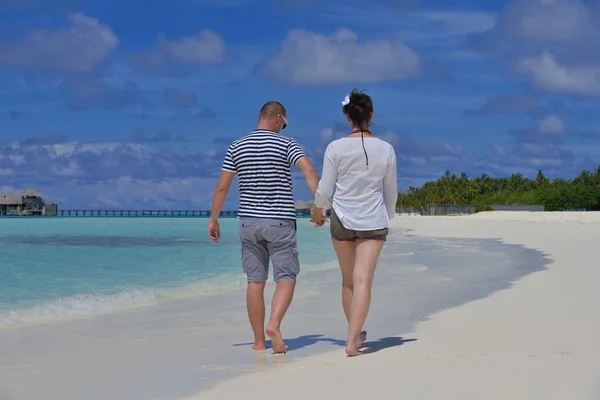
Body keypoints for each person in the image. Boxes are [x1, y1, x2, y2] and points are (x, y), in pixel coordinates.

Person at [208, 101, 320, 354]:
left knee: (255, 281)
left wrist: (213, 218)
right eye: (284, 123)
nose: (284, 127)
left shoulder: (236, 146)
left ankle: (259, 342)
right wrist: (319, 204)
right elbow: (308, 169)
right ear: (278, 118)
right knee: (286, 277)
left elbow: (222, 187)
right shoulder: (287, 144)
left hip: (248, 222)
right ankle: (275, 324)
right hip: (279, 220)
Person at [311, 89, 397, 356]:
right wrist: (388, 216)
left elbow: (325, 189)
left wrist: (318, 209)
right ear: (370, 116)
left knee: (348, 281)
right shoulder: (386, 149)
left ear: (347, 117)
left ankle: (356, 336)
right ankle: (352, 342)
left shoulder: (334, 148)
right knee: (363, 282)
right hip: (373, 219)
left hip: (342, 219)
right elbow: (390, 192)